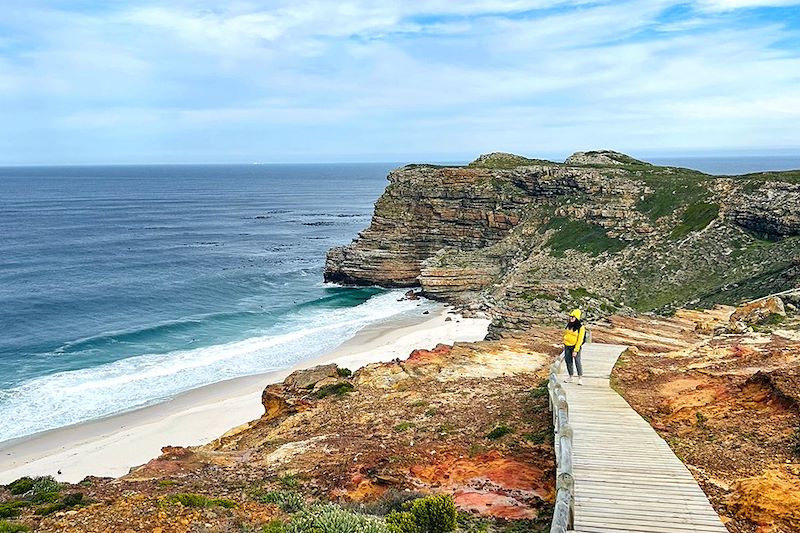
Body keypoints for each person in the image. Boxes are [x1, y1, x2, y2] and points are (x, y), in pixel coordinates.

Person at [563, 309, 586, 385]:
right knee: (568, 361)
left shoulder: (581, 327)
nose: (571, 318)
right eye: (570, 316)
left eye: (573, 317)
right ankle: (570, 376)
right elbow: (566, 334)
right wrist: (564, 340)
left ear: (577, 318)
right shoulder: (568, 325)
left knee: (577, 361)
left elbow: (580, 340)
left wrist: (576, 350)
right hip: (567, 345)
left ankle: (580, 378)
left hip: (575, 346)